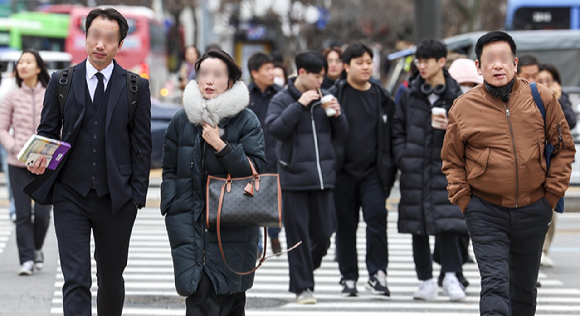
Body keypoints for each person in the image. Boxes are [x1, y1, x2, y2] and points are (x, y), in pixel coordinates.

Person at [26, 8, 152, 316]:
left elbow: (142, 146)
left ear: (119, 45)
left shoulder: (136, 87)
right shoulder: (61, 80)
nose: (100, 44)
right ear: (85, 37)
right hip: (70, 195)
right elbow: (47, 132)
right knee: (76, 279)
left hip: (117, 199)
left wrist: (136, 195)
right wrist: (37, 160)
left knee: (110, 278)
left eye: (109, 38)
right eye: (94, 35)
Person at [441, 31, 576, 316]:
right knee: (494, 284)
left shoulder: (542, 98)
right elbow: (452, 160)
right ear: (479, 67)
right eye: (490, 60)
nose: (497, 65)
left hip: (534, 208)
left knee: (524, 289)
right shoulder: (463, 107)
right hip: (485, 210)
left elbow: (563, 147)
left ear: (515, 64)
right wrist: (466, 201)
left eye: (504, 59)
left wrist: (551, 195)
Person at [162, 49, 266, 315]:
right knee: (198, 297)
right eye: (203, 74)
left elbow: (255, 170)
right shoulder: (182, 120)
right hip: (189, 222)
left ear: (230, 82)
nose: (208, 80)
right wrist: (172, 205)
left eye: (217, 75)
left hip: (233, 224)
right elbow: (170, 169)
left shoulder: (246, 120)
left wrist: (221, 146)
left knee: (230, 300)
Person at [266, 52, 348, 304]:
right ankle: (303, 287)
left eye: (323, 76)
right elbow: (275, 129)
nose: (320, 81)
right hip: (293, 178)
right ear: (301, 73)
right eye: (316, 76)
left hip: (323, 178)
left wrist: (337, 115)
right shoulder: (282, 99)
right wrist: (299, 104)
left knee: (324, 235)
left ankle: (302, 271)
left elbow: (343, 134)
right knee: (297, 236)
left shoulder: (327, 96)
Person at [393, 39, 467, 301]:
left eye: (426, 61)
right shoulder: (409, 93)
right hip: (415, 167)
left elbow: (470, 135)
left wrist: (450, 127)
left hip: (446, 169)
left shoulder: (457, 94)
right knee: (418, 226)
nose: (421, 66)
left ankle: (451, 276)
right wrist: (404, 157)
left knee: (448, 224)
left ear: (441, 62)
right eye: (419, 61)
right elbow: (397, 128)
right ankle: (425, 280)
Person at [329, 43, 395, 297]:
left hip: (374, 172)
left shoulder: (380, 95)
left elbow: (390, 133)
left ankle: (378, 273)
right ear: (346, 66)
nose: (366, 66)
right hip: (342, 172)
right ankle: (348, 277)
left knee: (377, 218)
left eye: (369, 61)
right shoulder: (335, 95)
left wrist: (389, 167)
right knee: (346, 226)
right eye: (360, 62)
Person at [0, 49, 52, 275]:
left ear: (38, 67)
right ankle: (27, 260)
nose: (23, 66)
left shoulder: (51, 94)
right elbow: (2, 128)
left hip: (45, 163)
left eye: (28, 62)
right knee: (22, 213)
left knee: (42, 214)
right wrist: (13, 147)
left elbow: (60, 125)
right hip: (18, 163)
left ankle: (37, 247)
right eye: (21, 63)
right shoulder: (11, 96)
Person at [537, 63, 577, 268]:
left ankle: (544, 249)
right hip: (535, 161)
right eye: (540, 81)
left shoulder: (561, 100)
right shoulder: (530, 99)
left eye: (549, 81)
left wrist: (558, 100)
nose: (545, 85)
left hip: (555, 162)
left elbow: (570, 122)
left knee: (552, 205)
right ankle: (536, 248)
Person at [246, 52, 283, 255]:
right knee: (252, 200)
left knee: (274, 200)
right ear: (254, 72)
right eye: (267, 69)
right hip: (250, 156)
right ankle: (257, 241)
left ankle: (275, 235)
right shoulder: (244, 95)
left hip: (275, 153)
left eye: (272, 68)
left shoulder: (280, 94)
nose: (272, 73)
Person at [0, 70, 18, 223]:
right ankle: (15, 208)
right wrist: (11, 144)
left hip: (35, 143)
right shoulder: (9, 86)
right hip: (11, 142)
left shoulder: (44, 88)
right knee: (11, 177)